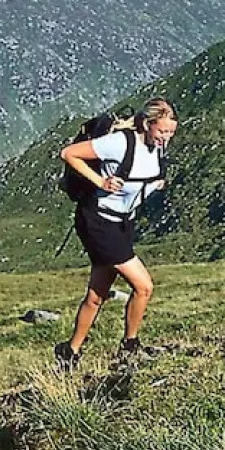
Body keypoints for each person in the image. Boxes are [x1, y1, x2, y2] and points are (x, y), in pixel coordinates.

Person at [55, 98, 178, 368]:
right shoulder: (121, 142)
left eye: (171, 132)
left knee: (97, 294)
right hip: (99, 222)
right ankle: (129, 347)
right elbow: (69, 153)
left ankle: (70, 352)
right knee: (144, 287)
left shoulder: (156, 147)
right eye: (162, 131)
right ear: (147, 124)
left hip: (123, 223)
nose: (166, 138)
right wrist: (101, 181)